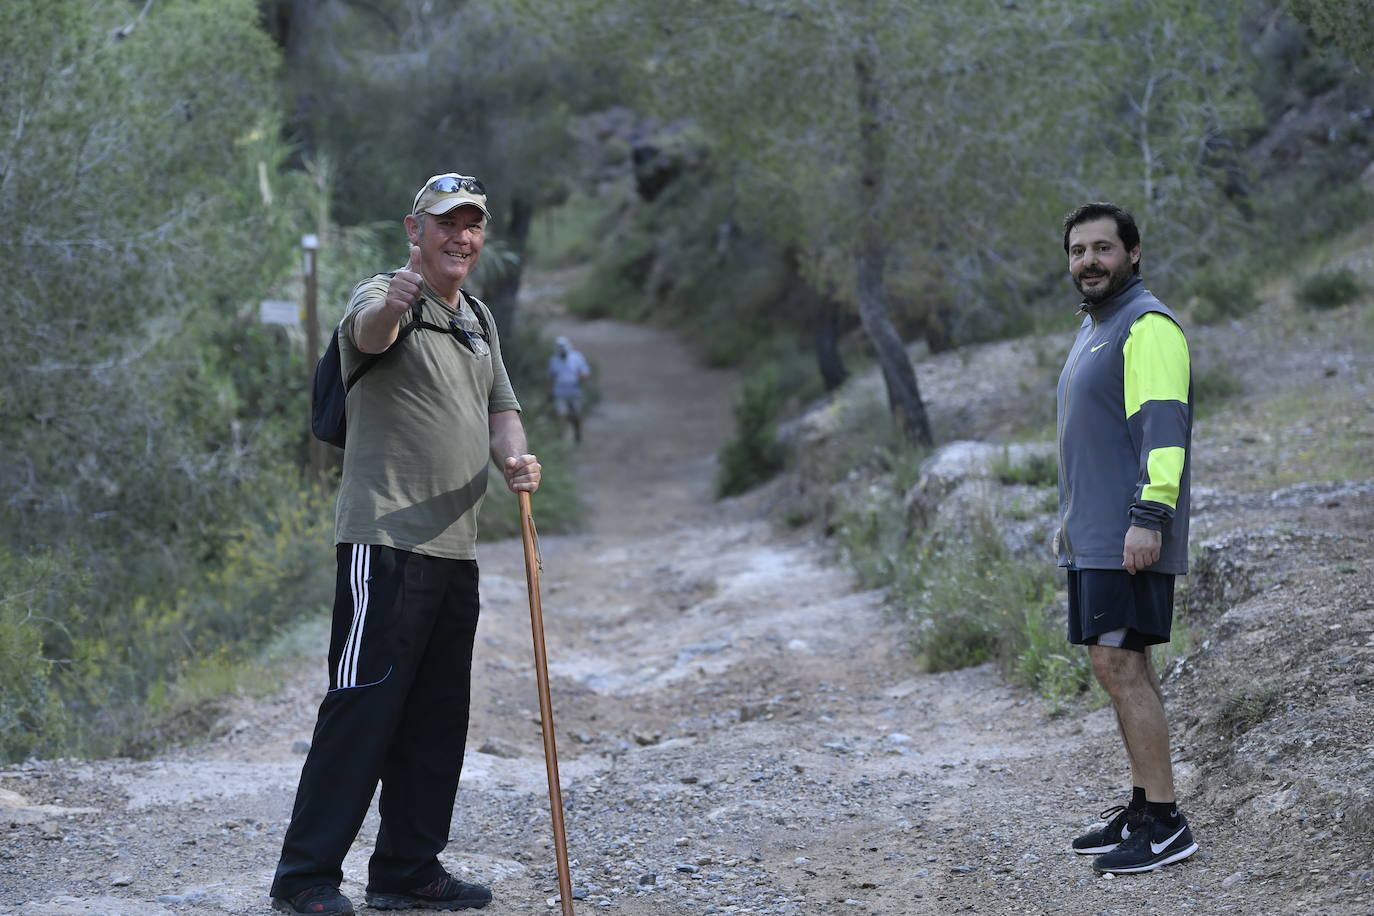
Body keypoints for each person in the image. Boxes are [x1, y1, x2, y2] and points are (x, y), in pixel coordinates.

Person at [270, 173, 541, 915]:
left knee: (436, 716)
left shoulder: (478, 318)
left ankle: (406, 868)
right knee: (362, 706)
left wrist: (515, 458)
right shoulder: (380, 294)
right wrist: (393, 302)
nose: (460, 236)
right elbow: (369, 334)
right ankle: (304, 881)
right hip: (384, 543)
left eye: (472, 225)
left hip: (455, 550)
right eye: (445, 223)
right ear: (413, 230)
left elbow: (502, 413)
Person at [1054, 202, 1198, 875]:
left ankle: (1166, 823)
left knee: (1123, 666)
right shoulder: (1096, 327)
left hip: (1130, 535)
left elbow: (1162, 431)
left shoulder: (1147, 326)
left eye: (1102, 249)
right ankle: (1143, 804)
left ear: (1132, 253)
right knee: (1114, 667)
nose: (1089, 262)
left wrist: (1151, 518)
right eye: (1079, 251)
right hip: (1094, 537)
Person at [547, 335, 591, 443]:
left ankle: (577, 435)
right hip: (560, 393)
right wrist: (549, 390)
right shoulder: (553, 360)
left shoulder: (577, 357)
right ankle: (562, 438)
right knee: (561, 414)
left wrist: (580, 378)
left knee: (576, 415)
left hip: (574, 392)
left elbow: (585, 372)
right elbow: (551, 377)